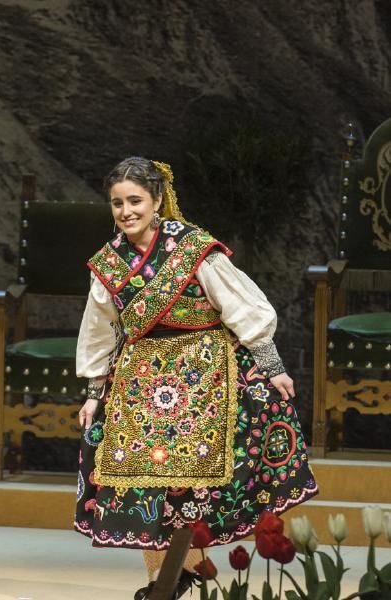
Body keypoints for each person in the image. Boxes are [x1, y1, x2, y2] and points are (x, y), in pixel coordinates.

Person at [73, 158, 318, 599]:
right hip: (140, 379)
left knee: (192, 480)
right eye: (117, 203)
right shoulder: (109, 264)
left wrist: (270, 363)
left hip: (205, 370)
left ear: (157, 200)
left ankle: (182, 567)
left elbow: (241, 306)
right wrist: (94, 391)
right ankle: (163, 578)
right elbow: (99, 328)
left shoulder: (192, 248)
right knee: (141, 482)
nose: (126, 211)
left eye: (135, 201)